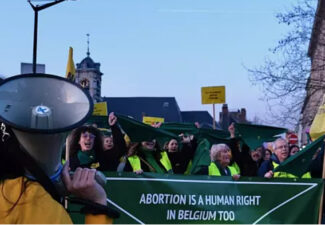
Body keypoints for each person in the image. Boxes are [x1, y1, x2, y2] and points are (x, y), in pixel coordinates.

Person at [0, 123, 116, 224]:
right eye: (85, 136)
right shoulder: (32, 200)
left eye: (91, 136)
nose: (88, 139)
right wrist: (98, 201)